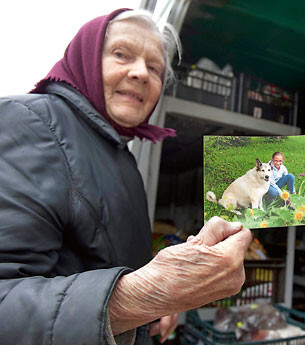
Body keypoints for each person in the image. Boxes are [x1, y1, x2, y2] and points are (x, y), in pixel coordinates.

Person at [0, 8, 252, 345]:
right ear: (86, 57)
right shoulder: (28, 122)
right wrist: (144, 295)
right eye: (122, 54)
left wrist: (157, 302)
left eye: (154, 67)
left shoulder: (122, 156)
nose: (140, 73)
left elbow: (116, 265)